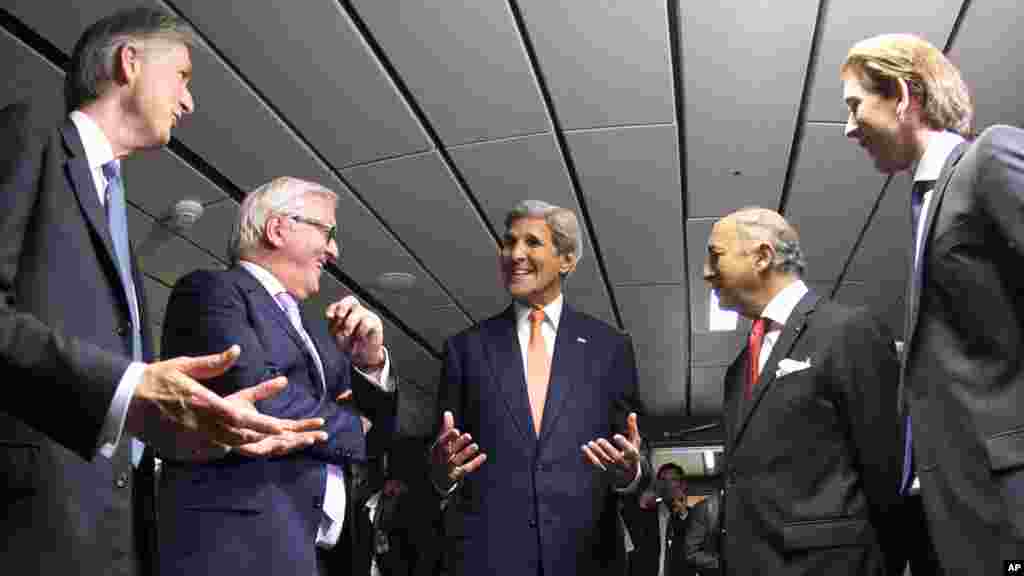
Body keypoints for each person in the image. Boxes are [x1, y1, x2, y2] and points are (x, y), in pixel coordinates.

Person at [0, 8, 322, 576]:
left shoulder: (114, 201)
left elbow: (113, 398)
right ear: (130, 62)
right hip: (34, 523)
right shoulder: (29, 134)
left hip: (114, 532)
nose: (190, 101)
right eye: (183, 76)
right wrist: (131, 385)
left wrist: (194, 429)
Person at [841, 34, 1024, 573]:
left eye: (855, 105)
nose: (850, 127)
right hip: (956, 510)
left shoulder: (989, 157)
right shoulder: (925, 202)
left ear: (902, 94)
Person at [158, 177, 398, 575]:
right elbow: (261, 401)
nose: (335, 250)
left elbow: (379, 438)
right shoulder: (210, 291)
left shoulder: (319, 335)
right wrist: (357, 424)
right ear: (277, 228)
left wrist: (370, 363)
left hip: (314, 553)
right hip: (239, 550)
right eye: (328, 231)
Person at [429, 199, 646, 576]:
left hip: (587, 557)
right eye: (509, 242)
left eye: (532, 242)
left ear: (566, 260)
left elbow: (635, 445)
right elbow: (441, 458)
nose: (515, 254)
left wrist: (630, 472)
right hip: (488, 560)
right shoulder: (465, 349)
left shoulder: (610, 347)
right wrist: (441, 472)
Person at [703, 208, 901, 575]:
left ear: (762, 256)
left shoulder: (847, 331)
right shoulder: (736, 372)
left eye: (715, 256)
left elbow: (887, 470)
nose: (706, 272)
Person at [621, 462, 712, 576]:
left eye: (673, 480)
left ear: (682, 485)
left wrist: (683, 514)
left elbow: (693, 552)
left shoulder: (694, 516)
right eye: (663, 480)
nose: (667, 485)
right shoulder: (647, 512)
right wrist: (643, 504)